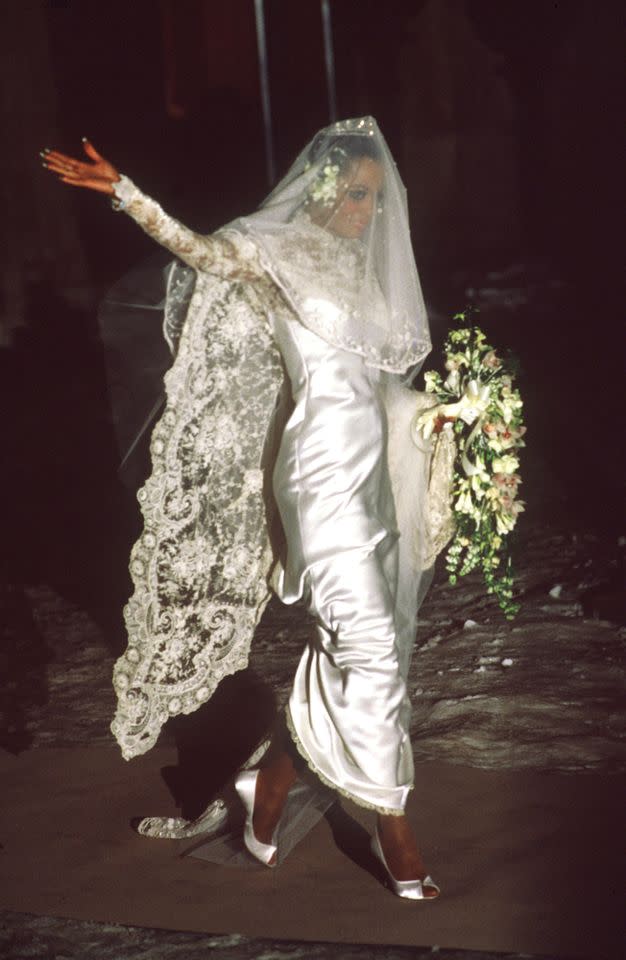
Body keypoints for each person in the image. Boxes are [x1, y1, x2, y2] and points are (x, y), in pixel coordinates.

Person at [42, 117, 454, 899]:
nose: (367, 212)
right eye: (356, 194)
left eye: (376, 198)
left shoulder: (366, 278)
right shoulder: (274, 252)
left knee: (364, 649)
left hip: (371, 476)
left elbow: (378, 387)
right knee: (368, 645)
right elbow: (200, 251)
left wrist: (439, 416)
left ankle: (269, 787)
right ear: (322, 191)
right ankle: (392, 821)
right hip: (319, 474)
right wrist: (125, 193)